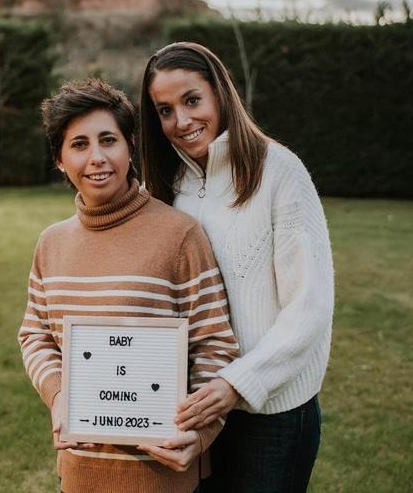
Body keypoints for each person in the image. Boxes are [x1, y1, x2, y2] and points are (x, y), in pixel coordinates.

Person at [17, 78, 239, 493]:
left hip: (165, 477)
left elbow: (216, 345)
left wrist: (200, 433)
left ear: (130, 147)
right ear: (60, 160)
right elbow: (35, 335)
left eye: (108, 140)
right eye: (79, 145)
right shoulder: (51, 243)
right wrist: (59, 394)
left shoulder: (180, 235)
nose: (97, 158)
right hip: (81, 474)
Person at [139, 42, 335, 493]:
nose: (182, 121)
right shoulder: (168, 185)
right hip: (199, 411)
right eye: (165, 110)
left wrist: (237, 383)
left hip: (271, 417)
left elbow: (309, 307)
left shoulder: (279, 171)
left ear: (220, 93)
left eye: (192, 100)